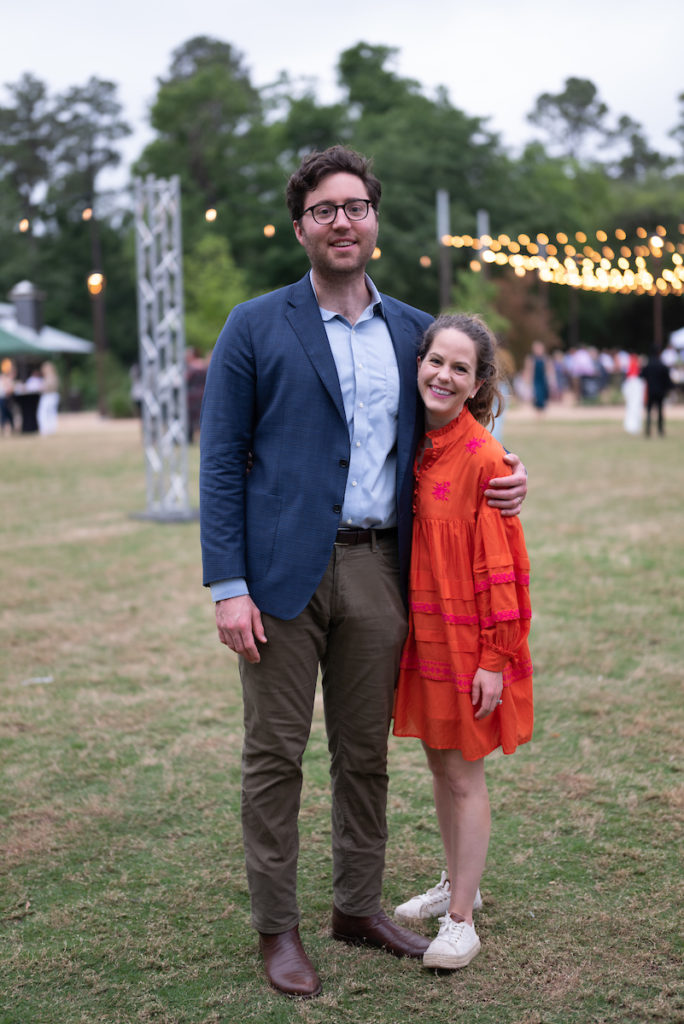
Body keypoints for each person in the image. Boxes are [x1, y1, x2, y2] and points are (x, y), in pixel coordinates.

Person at [199, 146, 528, 999]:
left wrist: (510, 471)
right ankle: (278, 929)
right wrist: (228, 586)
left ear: (375, 219)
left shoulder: (414, 330)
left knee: (364, 755)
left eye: (355, 207)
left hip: (384, 570)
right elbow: (221, 459)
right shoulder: (254, 324)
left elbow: (463, 420)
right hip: (279, 579)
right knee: (275, 756)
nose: (341, 221)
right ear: (300, 226)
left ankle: (356, 907)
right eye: (323, 210)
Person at [393, 313, 533, 970]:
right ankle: (456, 883)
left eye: (460, 368)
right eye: (436, 361)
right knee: (440, 766)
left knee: (464, 775)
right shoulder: (418, 445)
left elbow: (505, 569)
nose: (443, 375)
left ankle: (461, 922)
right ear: (418, 364)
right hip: (424, 633)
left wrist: (494, 659)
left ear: (478, 385)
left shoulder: (484, 459)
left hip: (469, 642)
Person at [640, 347, 672, 437]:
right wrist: (669, 388)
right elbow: (667, 380)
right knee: (660, 411)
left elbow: (642, 375)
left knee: (649, 411)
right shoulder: (662, 366)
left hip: (650, 391)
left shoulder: (648, 365)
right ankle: (660, 430)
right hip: (660, 391)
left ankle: (648, 429)